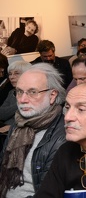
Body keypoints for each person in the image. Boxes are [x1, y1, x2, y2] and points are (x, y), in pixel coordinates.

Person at [0, 63, 66, 197]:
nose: (23, 99)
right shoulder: (18, 124)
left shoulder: (64, 135)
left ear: (52, 95)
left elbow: (51, 193)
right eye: (19, 91)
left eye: (32, 92)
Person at [0, 61, 32, 127]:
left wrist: (11, 127)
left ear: (27, 75)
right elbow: (1, 114)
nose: (11, 77)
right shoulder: (11, 92)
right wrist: (20, 104)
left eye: (16, 73)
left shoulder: (34, 93)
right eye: (10, 74)